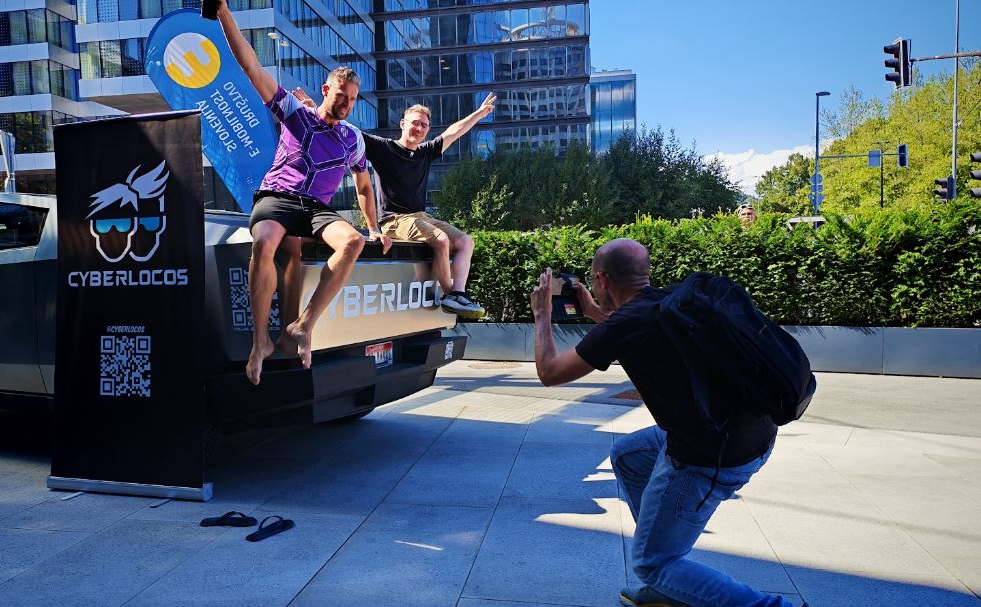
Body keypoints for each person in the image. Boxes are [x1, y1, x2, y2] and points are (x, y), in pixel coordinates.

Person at [530, 239, 797, 607]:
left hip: (710, 453)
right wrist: (593, 311)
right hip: (754, 433)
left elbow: (549, 372)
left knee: (651, 564)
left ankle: (678, 576)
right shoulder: (669, 301)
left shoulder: (626, 324)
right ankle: (671, 576)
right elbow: (626, 329)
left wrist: (542, 314)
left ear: (603, 280)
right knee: (628, 455)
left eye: (593, 280)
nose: (592, 287)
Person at [215, 0, 392, 384]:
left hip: (314, 208)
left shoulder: (353, 140)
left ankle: (303, 325)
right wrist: (224, 13)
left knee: (352, 243)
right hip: (277, 196)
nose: (346, 104)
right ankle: (260, 341)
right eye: (341, 95)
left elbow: (364, 184)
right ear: (326, 89)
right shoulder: (295, 111)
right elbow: (251, 67)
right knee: (264, 243)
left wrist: (373, 227)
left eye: (352, 99)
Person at [291, 89, 495, 318]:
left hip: (422, 217)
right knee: (441, 240)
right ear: (402, 124)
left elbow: (453, 132)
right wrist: (315, 110)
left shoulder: (426, 152)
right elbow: (346, 129)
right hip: (395, 220)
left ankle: (459, 293)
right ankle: (450, 296)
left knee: (466, 242)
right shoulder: (384, 148)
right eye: (415, 123)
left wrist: (479, 114)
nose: (419, 129)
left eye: (424, 126)